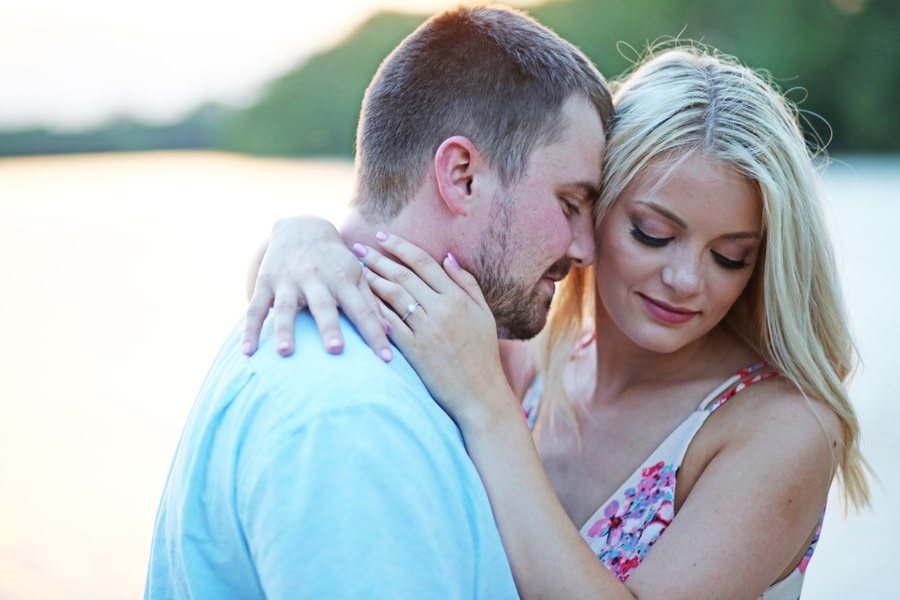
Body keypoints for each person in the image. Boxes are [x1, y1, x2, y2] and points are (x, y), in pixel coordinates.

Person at [242, 46, 871, 598]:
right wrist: (301, 238)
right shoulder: (526, 354)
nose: (687, 280)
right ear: (588, 210)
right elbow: (378, 261)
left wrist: (488, 409)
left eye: (731, 255)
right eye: (652, 234)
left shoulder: (781, 428)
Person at [145, 5, 614, 599]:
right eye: (570, 203)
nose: (584, 251)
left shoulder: (416, 364)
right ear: (462, 175)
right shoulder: (355, 420)